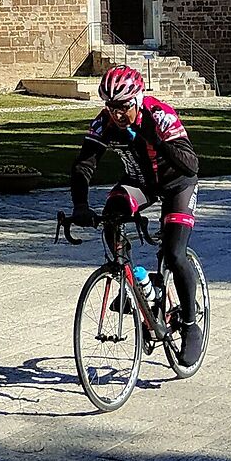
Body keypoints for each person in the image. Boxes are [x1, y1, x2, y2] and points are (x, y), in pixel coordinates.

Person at [67, 64, 205, 364]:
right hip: (139, 182)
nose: (116, 115)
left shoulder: (159, 115)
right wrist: (79, 205)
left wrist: (155, 140)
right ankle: (135, 284)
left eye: (122, 108)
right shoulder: (105, 123)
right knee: (111, 217)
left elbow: (191, 164)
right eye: (110, 107)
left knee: (173, 253)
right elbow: (83, 166)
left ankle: (190, 325)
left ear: (137, 100)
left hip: (177, 183)